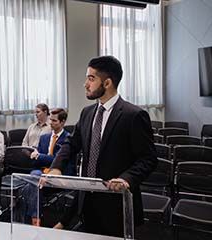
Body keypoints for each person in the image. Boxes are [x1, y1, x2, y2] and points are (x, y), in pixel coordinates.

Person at [48, 56, 158, 237]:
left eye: (91, 78)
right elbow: (71, 143)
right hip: (87, 201)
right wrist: (56, 167)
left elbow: (148, 158)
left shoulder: (134, 115)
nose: (85, 84)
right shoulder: (87, 113)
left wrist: (126, 179)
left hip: (116, 204)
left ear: (107, 83)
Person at [23, 108, 71, 226]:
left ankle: (31, 219)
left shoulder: (68, 138)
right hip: (41, 173)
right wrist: (37, 157)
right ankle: (36, 219)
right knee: (34, 179)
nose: (51, 123)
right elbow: (37, 162)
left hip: (58, 174)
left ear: (63, 122)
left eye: (54, 121)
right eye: (50, 120)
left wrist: (39, 156)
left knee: (28, 185)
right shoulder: (44, 137)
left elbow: (57, 160)